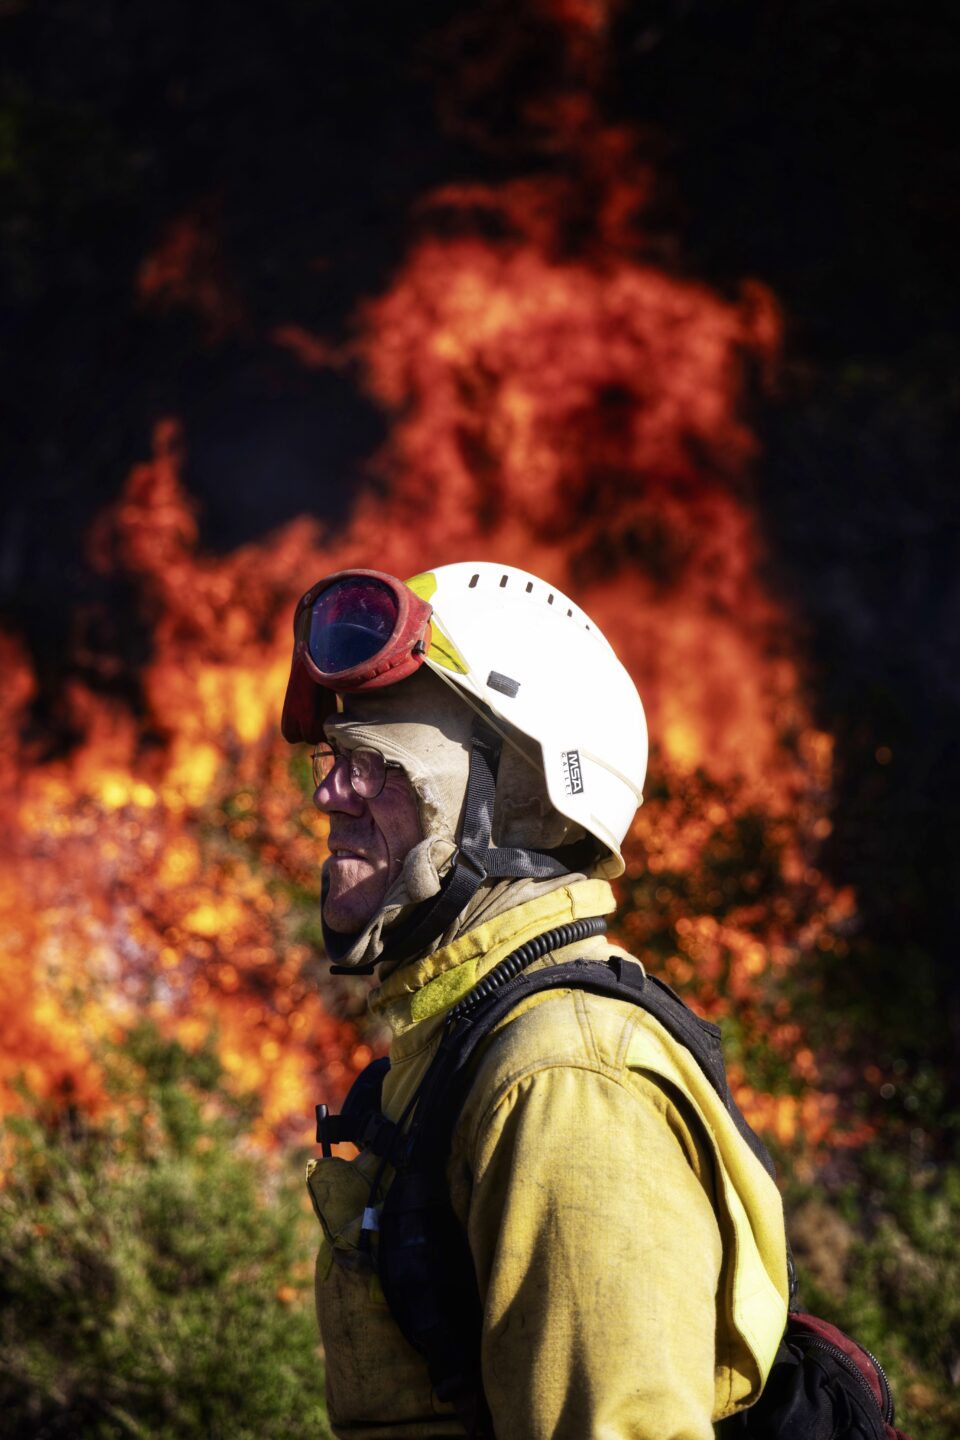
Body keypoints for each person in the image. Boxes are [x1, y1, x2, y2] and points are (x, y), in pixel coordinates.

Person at [281, 562, 789, 1440]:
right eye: (334, 759)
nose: (328, 794)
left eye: (376, 766)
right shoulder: (470, 1042)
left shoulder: (561, 1081)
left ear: (518, 796)